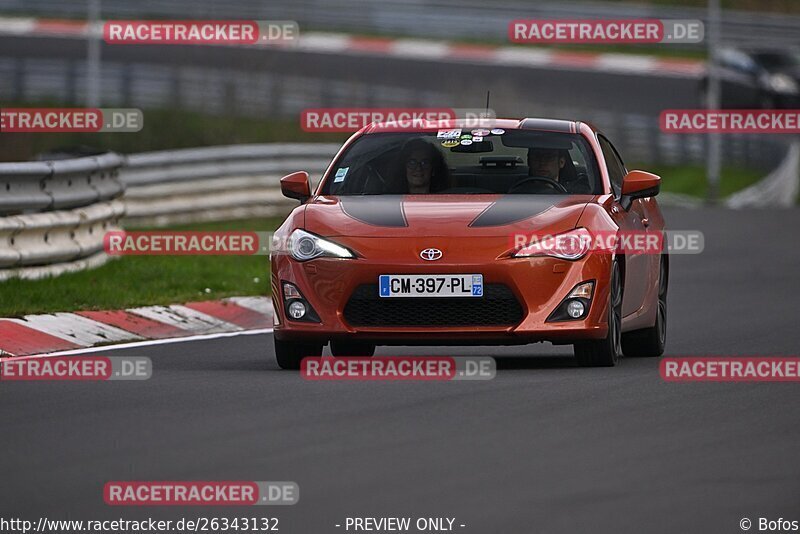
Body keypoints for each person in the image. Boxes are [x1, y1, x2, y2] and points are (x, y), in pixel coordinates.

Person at [527, 147, 592, 194]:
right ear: (529, 161)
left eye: (548, 157)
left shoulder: (577, 193)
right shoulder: (517, 190)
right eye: (536, 157)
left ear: (561, 162)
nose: (542, 162)